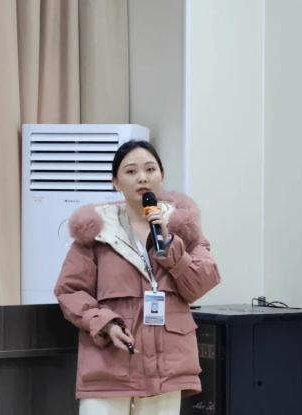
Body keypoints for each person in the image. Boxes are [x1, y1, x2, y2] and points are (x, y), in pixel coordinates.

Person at [54, 140, 221, 415]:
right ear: (115, 182)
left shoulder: (184, 230)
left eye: (150, 169)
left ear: (161, 176)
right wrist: (106, 324)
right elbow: (70, 291)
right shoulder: (95, 233)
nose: (142, 177)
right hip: (109, 363)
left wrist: (169, 243)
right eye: (131, 171)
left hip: (167, 368)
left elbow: (200, 284)